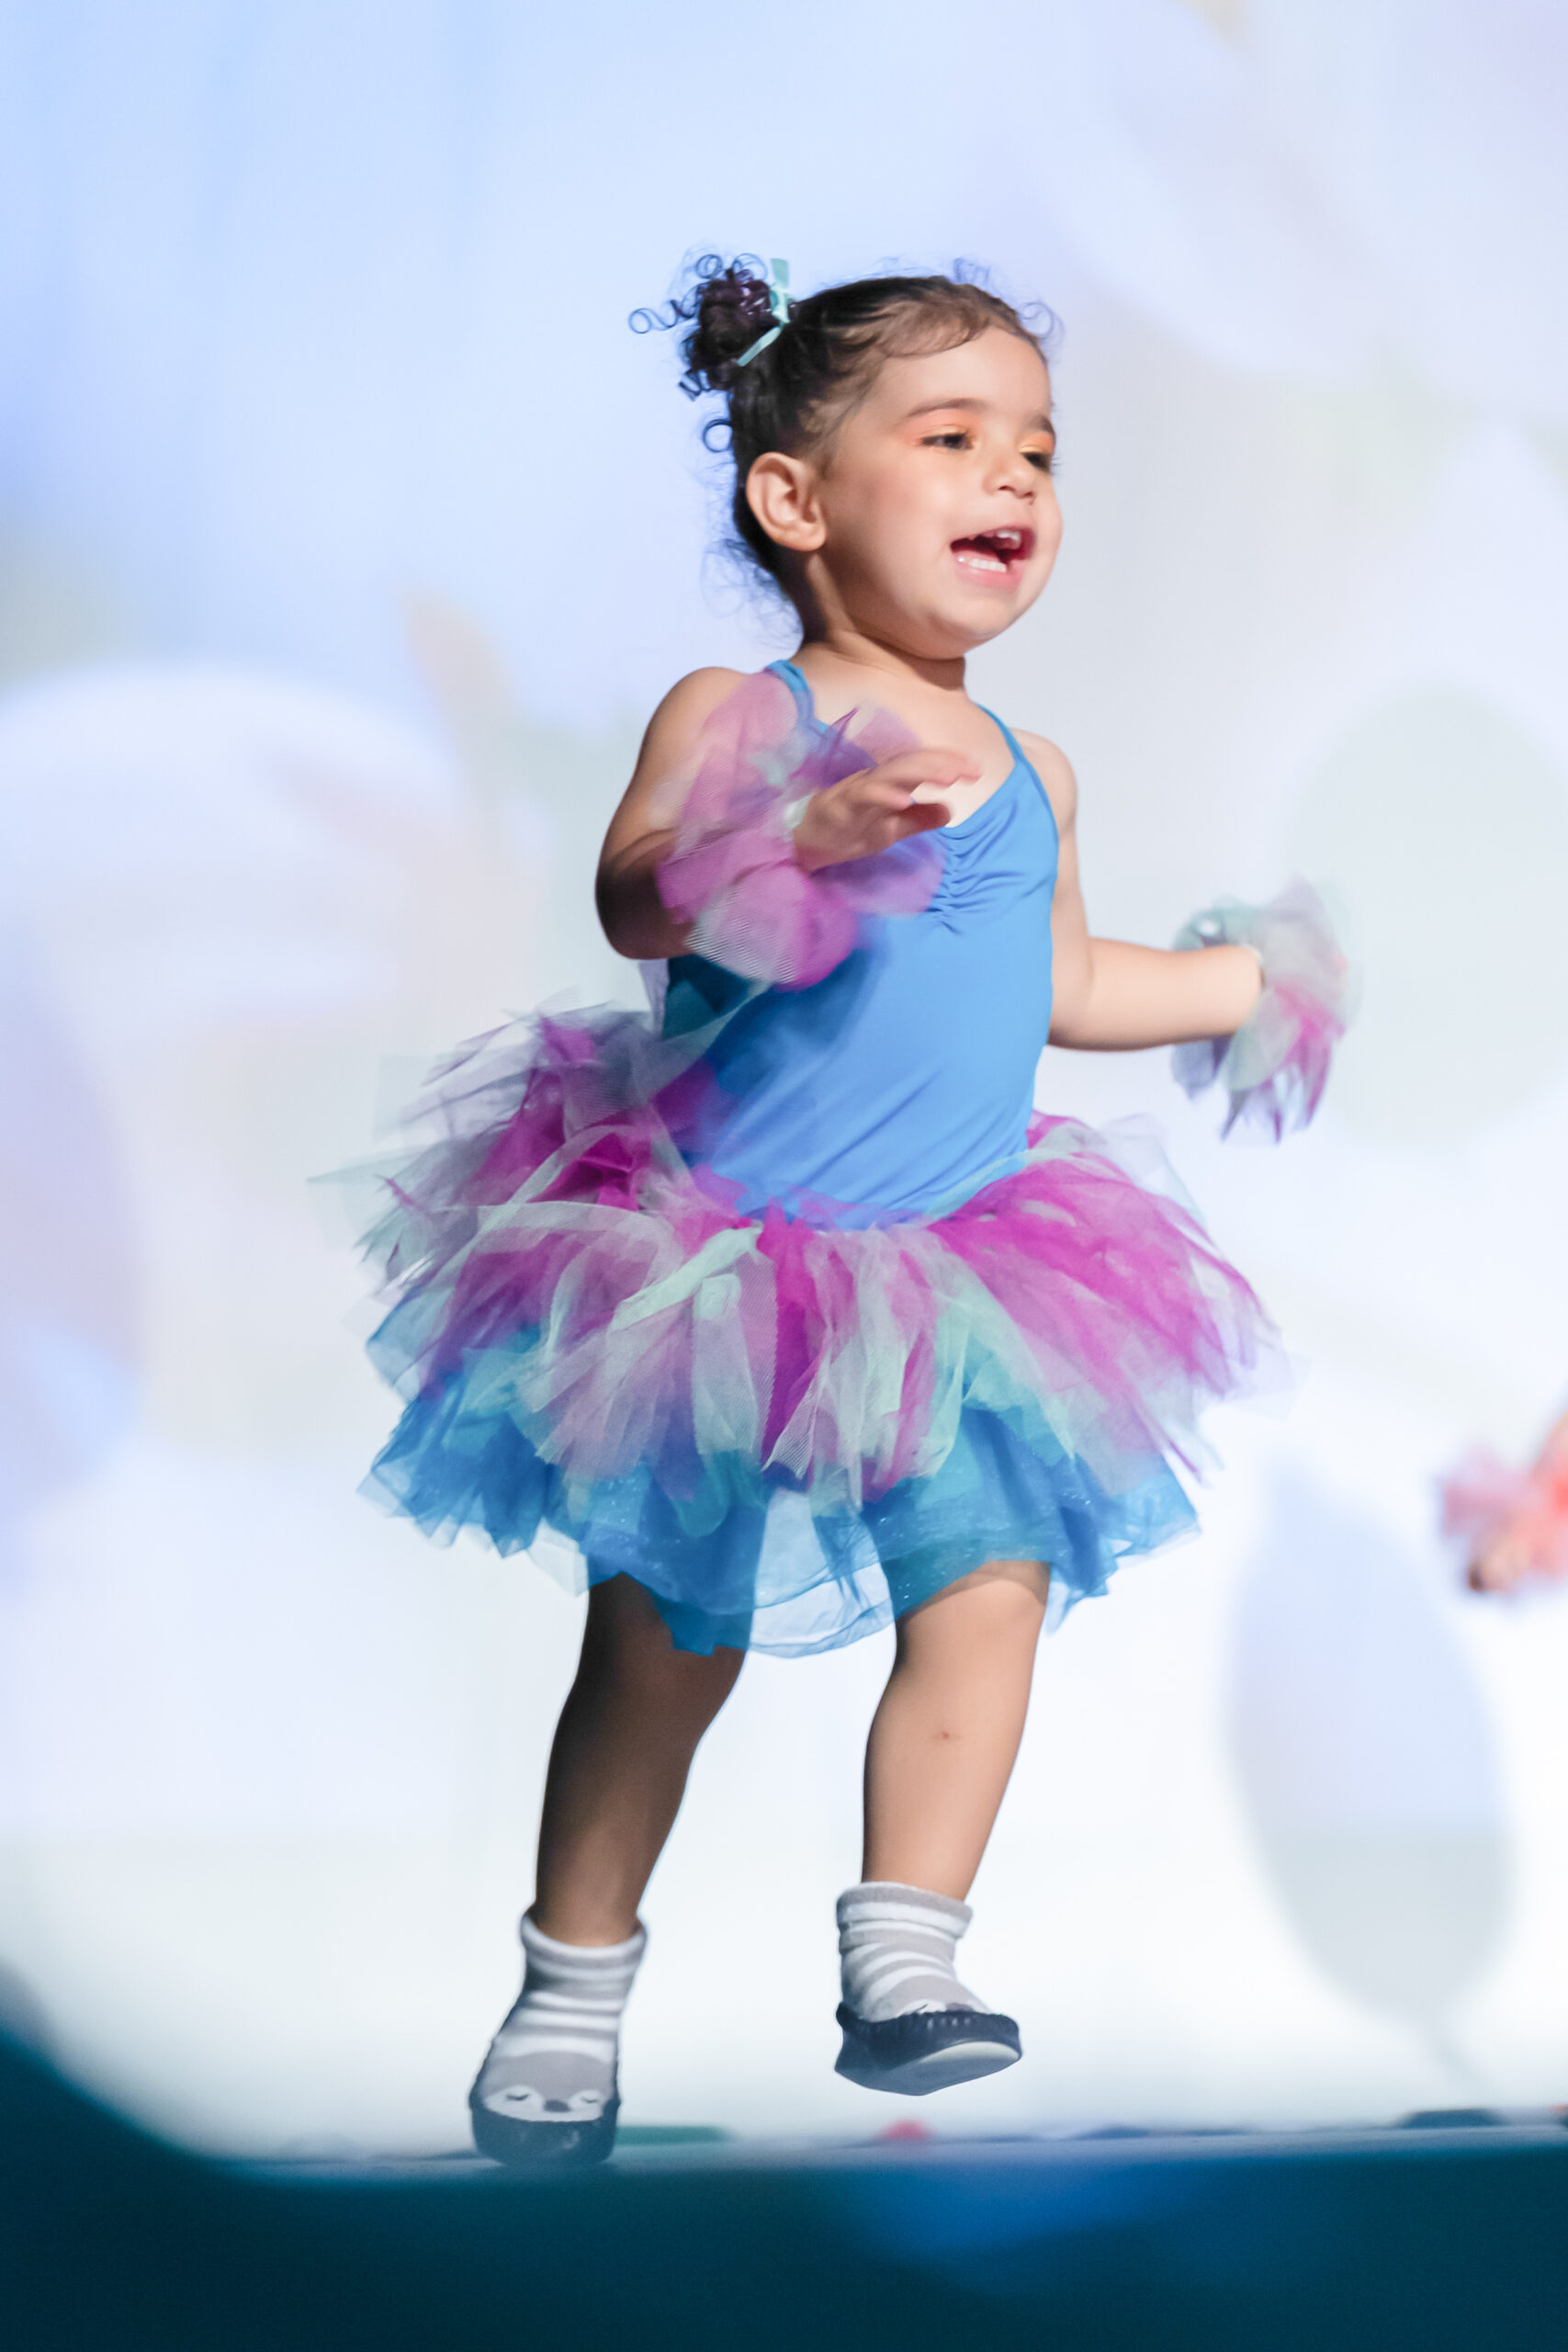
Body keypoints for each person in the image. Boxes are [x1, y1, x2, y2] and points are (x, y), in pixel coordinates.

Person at [354, 257, 1349, 2166]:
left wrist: (1246, 982)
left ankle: (908, 1951)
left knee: (989, 1593)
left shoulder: (1035, 767)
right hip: (719, 1263)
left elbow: (1058, 985)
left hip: (969, 1264)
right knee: (666, 1645)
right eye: (953, 436)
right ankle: (571, 1974)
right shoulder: (738, 711)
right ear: (794, 502)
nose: (1015, 477)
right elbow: (638, 900)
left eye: (1038, 447)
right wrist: (778, 837)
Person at [1442, 1408, 1568, 1593]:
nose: (1516, 1562)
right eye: (1511, 1571)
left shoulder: (1518, 1502)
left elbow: (1550, 1450)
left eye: (1508, 1558)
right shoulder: (1555, 1560)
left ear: (1490, 1542)